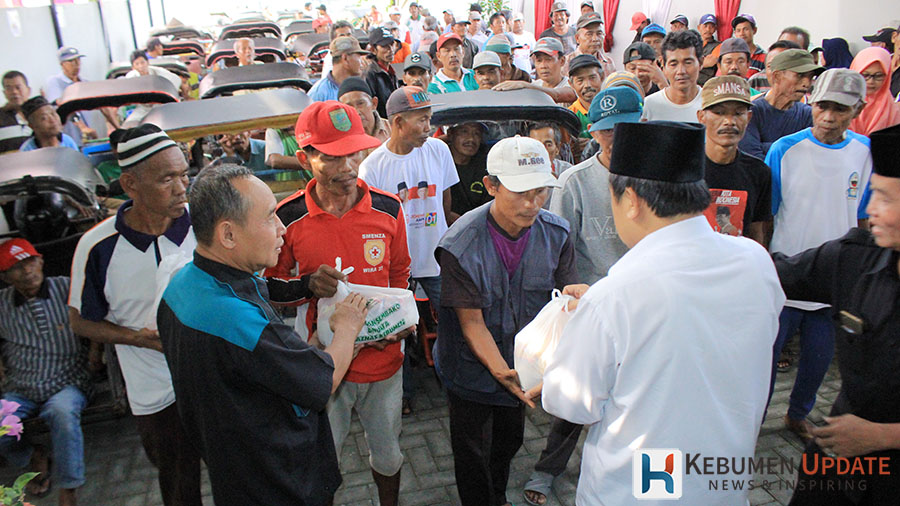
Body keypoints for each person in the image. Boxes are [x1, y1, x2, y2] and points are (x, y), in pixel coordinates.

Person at [542, 120, 785, 505]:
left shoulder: (613, 297)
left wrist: (570, 337)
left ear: (632, 200)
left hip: (641, 489)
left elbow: (569, 402)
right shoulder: (755, 261)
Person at [158, 163, 368, 505]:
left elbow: (263, 366)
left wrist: (314, 330)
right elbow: (322, 380)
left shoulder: (182, 285)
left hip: (232, 468)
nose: (282, 229)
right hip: (277, 480)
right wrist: (348, 328)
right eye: (270, 217)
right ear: (228, 234)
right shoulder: (233, 318)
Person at [262, 101, 411, 506]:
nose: (347, 166)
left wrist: (400, 322)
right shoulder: (286, 218)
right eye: (331, 156)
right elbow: (267, 289)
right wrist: (307, 286)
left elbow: (399, 276)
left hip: (384, 363)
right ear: (304, 157)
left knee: (388, 454)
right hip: (322, 368)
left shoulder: (388, 208)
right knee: (322, 464)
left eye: (353, 152)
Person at [435, 135, 575, 506]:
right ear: (492, 185)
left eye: (541, 192)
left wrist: (579, 299)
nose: (533, 204)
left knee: (508, 442)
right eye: (521, 193)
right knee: (471, 452)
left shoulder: (557, 233)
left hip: (523, 368)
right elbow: (472, 324)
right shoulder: (460, 244)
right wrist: (502, 371)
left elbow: (563, 298)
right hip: (472, 369)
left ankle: (497, 494)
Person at [69, 124, 202, 506]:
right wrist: (137, 338)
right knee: (178, 483)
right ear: (130, 184)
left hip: (211, 375)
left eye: (184, 175)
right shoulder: (97, 247)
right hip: (155, 390)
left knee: (237, 469)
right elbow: (80, 320)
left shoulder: (204, 224)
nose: (182, 188)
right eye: (167, 179)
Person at [775, 123, 900, 505]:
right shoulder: (853, 260)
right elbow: (769, 275)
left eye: (885, 197)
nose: (870, 209)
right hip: (837, 453)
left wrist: (885, 437)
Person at [765, 69, 871, 443]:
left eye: (840, 109)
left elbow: (863, 217)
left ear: (857, 109)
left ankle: (798, 415)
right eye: (823, 105)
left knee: (818, 359)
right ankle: (752, 419)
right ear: (811, 102)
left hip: (834, 281)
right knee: (765, 359)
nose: (829, 116)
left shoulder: (864, 152)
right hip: (787, 274)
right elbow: (768, 215)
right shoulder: (784, 150)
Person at [0, 239, 91, 506]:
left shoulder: (66, 287)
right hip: (20, 386)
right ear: (5, 277)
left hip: (68, 381)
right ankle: (31, 455)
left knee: (62, 414)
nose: (27, 271)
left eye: (30, 262)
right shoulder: (2, 304)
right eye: (16, 267)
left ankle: (69, 488)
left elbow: (98, 317)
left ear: (40, 261)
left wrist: (96, 355)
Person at [359, 87, 458, 309]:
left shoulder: (439, 150)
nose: (428, 127)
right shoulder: (371, 168)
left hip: (436, 262)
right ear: (399, 123)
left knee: (451, 323)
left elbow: (445, 202)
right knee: (401, 327)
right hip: (395, 269)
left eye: (429, 119)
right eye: (422, 120)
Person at [696, 76, 771, 245]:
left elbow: (757, 233)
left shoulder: (759, 172)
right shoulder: (683, 168)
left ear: (749, 117)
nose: (729, 122)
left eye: (738, 113)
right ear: (701, 117)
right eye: (719, 112)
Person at [740, 49, 822, 159]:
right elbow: (753, 160)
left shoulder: (807, 114)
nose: (806, 83)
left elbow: (812, 157)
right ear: (777, 76)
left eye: (810, 77)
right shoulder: (752, 112)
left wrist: (766, 147)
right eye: (800, 76)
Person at [44, 47, 116, 147]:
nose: (76, 64)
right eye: (71, 61)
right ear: (62, 64)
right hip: (68, 140)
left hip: (88, 140)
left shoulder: (85, 83)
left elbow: (103, 106)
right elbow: (65, 105)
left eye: (78, 60)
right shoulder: (55, 82)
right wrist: (82, 127)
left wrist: (116, 127)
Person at [641, 30, 703, 122]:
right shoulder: (648, 106)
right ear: (663, 65)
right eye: (673, 64)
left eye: (688, 63)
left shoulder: (711, 105)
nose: (681, 71)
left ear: (701, 63)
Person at [493, 38, 576, 104]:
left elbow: (557, 95)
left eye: (548, 60)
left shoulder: (572, 85)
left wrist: (524, 85)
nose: (543, 66)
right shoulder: (535, 85)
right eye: (539, 61)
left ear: (562, 61)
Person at [850, 47, 900, 136]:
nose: (871, 81)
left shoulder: (893, 110)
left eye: (879, 76)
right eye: (865, 75)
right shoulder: (841, 104)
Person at [446, 122, 491, 218]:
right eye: (464, 132)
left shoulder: (486, 166)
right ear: (450, 134)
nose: (471, 139)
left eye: (476, 134)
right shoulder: (438, 164)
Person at [308, 36, 369, 102]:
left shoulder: (360, 85)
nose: (362, 62)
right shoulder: (319, 93)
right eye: (359, 57)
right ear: (345, 59)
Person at [338, 77, 391, 151]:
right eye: (349, 106)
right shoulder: (340, 138)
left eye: (360, 103)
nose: (356, 112)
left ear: (374, 104)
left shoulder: (392, 130)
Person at [365, 27, 399, 119]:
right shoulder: (370, 74)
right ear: (373, 49)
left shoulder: (390, 71)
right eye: (384, 46)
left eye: (392, 44)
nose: (391, 49)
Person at [570, 12, 615, 76]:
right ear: (577, 38)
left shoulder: (608, 62)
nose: (595, 39)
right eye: (589, 34)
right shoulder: (567, 62)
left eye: (599, 33)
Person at [0, 71, 33, 153]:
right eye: (9, 88)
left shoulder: (40, 115)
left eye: (18, 87)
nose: (14, 92)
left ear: (28, 90)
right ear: (4, 93)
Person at [697, 13, 720, 85]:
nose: (708, 29)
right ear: (699, 27)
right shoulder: (691, 43)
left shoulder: (719, 45)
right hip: (688, 81)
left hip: (705, 84)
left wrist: (690, 64)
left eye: (711, 26)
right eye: (705, 26)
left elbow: (710, 62)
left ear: (715, 29)